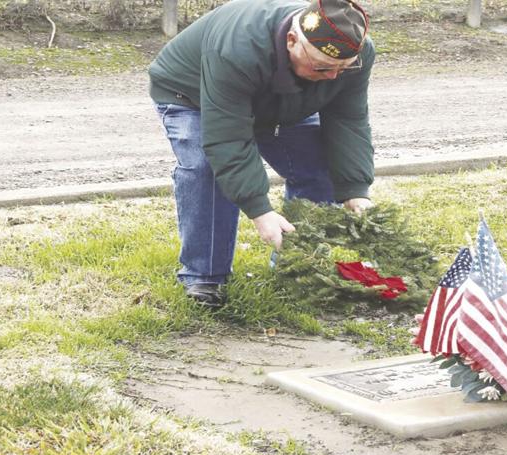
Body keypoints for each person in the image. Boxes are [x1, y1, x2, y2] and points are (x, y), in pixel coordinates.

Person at [148, 0, 377, 308]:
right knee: (207, 167)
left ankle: (295, 265)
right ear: (292, 40)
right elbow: (227, 136)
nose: (333, 76)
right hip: (193, 94)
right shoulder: (238, 46)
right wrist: (260, 211)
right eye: (322, 66)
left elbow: (348, 119)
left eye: (342, 68)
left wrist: (355, 189)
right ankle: (205, 277)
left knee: (321, 163)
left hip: (280, 100)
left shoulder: (354, 53)